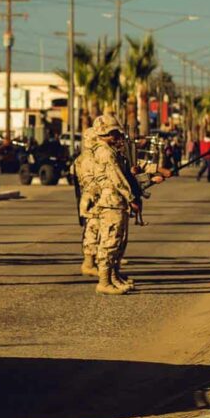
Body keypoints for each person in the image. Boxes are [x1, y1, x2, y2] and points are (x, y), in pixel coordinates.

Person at [89, 115, 136, 295]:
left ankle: (112, 278)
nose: (118, 136)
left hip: (115, 200)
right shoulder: (105, 152)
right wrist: (131, 197)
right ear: (107, 132)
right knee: (109, 242)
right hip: (111, 202)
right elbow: (117, 178)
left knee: (116, 241)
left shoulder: (107, 150)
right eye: (115, 133)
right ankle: (104, 282)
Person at [73, 125, 101, 277]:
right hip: (92, 198)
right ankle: (89, 263)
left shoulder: (91, 156)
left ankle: (96, 260)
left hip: (95, 196)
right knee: (92, 229)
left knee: (97, 230)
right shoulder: (88, 158)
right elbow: (90, 182)